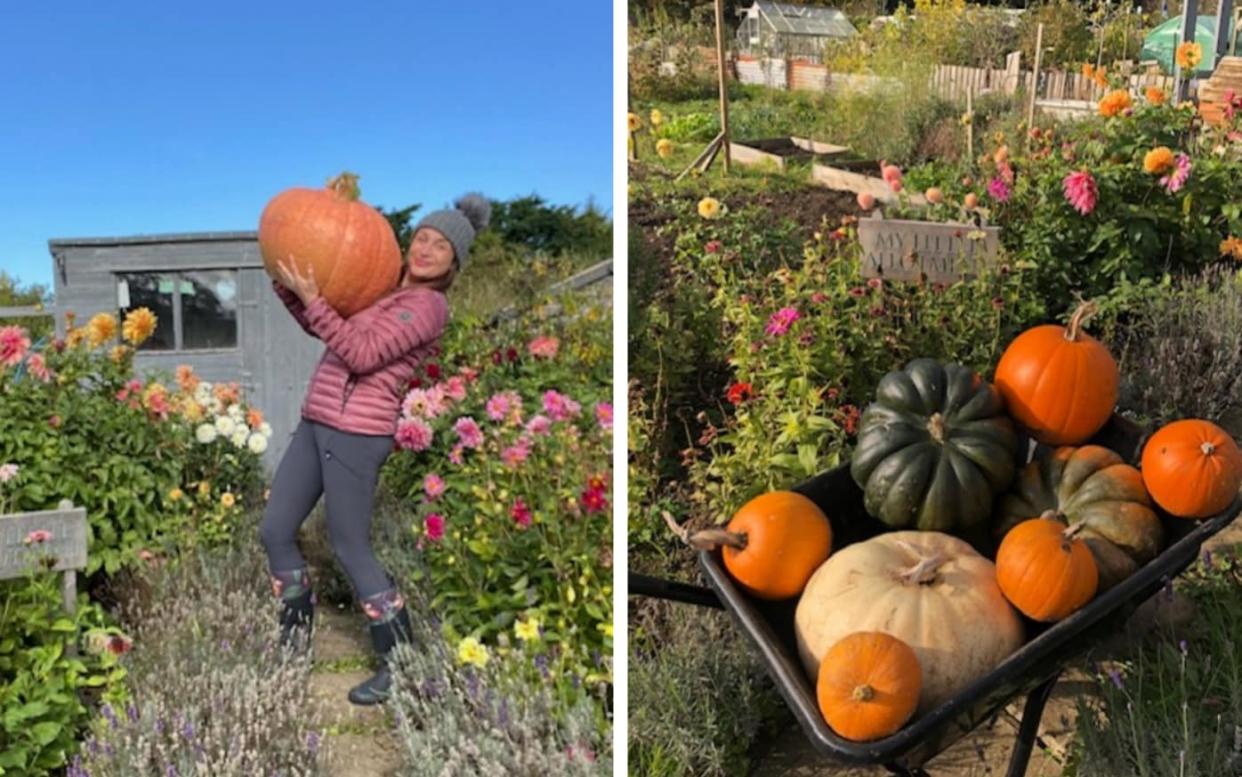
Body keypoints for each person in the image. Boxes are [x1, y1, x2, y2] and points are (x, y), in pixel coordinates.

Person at [259, 193, 490, 705]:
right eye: (423, 237)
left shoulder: (427, 307)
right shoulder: (382, 292)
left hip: (358, 434)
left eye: (442, 245)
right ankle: (294, 638)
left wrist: (313, 300)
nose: (427, 248)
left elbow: (361, 355)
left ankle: (399, 663)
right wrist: (293, 291)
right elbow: (331, 329)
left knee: (350, 546)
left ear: (455, 262)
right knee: (274, 528)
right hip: (317, 420)